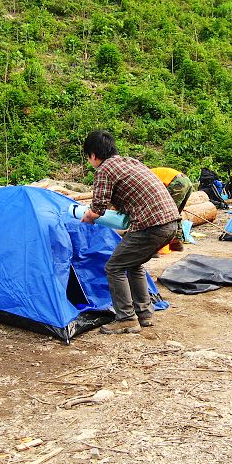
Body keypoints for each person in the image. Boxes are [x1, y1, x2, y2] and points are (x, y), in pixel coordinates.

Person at [82, 131, 181, 334]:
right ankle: (144, 314)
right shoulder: (130, 162)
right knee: (133, 264)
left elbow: (97, 209)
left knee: (114, 267)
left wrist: (87, 216)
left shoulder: (104, 170)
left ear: (93, 155)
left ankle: (126, 318)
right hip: (171, 223)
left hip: (151, 225)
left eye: (88, 157)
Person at [150, 167, 193, 251]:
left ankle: (155, 247)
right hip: (186, 181)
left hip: (177, 183)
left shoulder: (142, 178)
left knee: (165, 213)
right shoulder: (148, 173)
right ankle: (176, 242)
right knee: (175, 214)